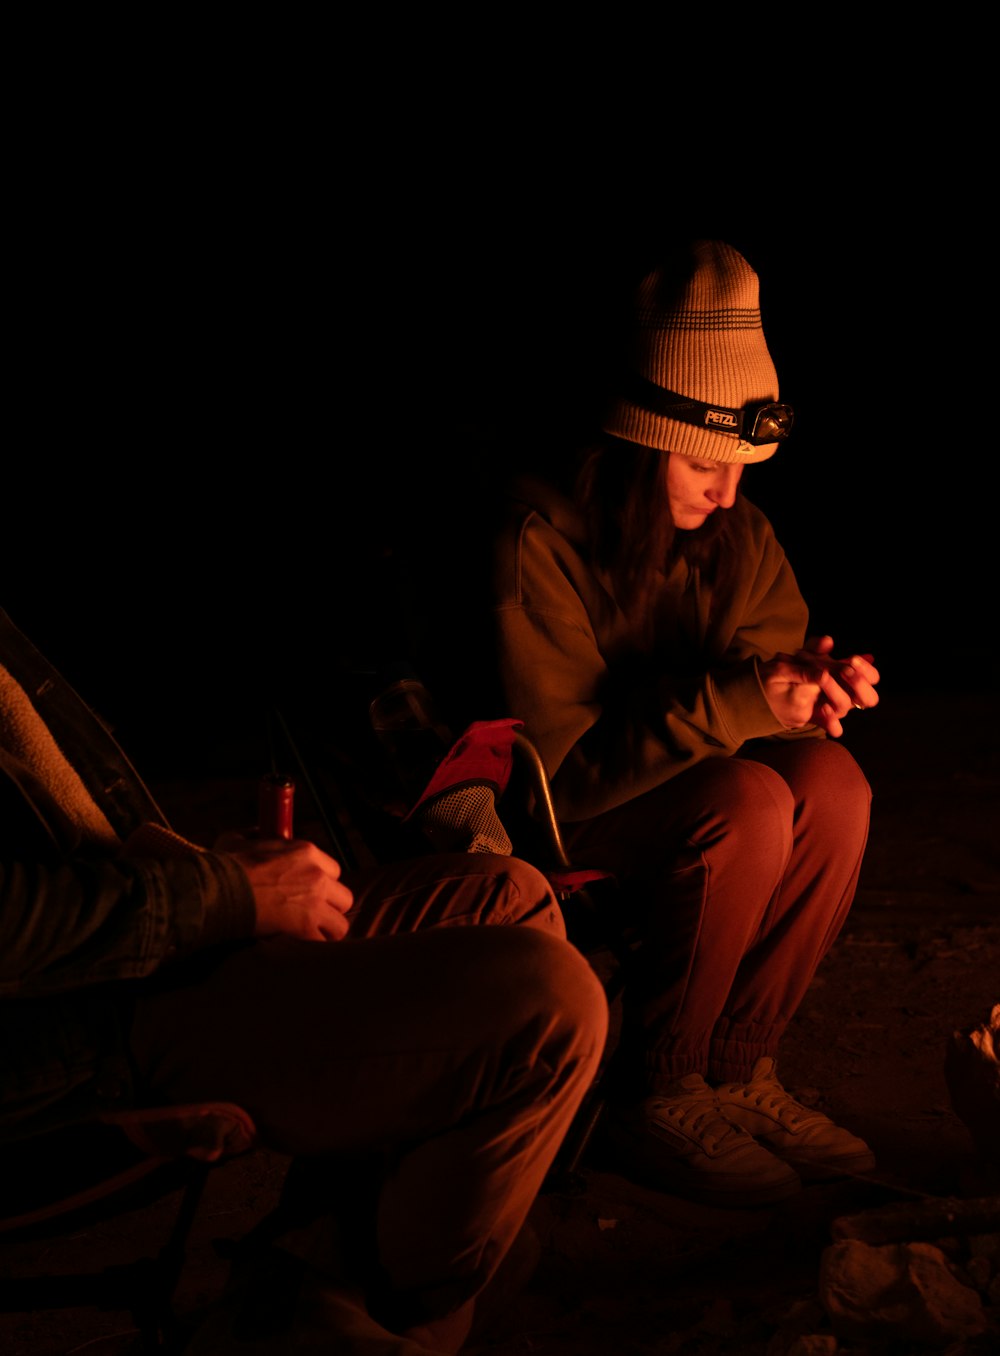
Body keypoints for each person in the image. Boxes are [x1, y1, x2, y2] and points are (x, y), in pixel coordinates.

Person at [0, 604, 608, 1354]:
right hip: (80, 1023)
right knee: (549, 1007)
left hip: (142, 947)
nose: (723, 497)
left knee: (508, 893)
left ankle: (308, 1275)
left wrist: (200, 868)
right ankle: (393, 1313)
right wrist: (222, 896)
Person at [423, 238, 881, 1211]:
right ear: (633, 442)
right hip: (551, 823)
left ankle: (737, 1069)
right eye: (702, 462)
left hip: (677, 805)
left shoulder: (733, 534)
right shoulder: (535, 541)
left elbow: (767, 686)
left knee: (832, 784)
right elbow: (564, 770)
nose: (726, 489)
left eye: (743, 466)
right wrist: (749, 700)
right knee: (748, 797)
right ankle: (659, 1086)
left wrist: (810, 689)